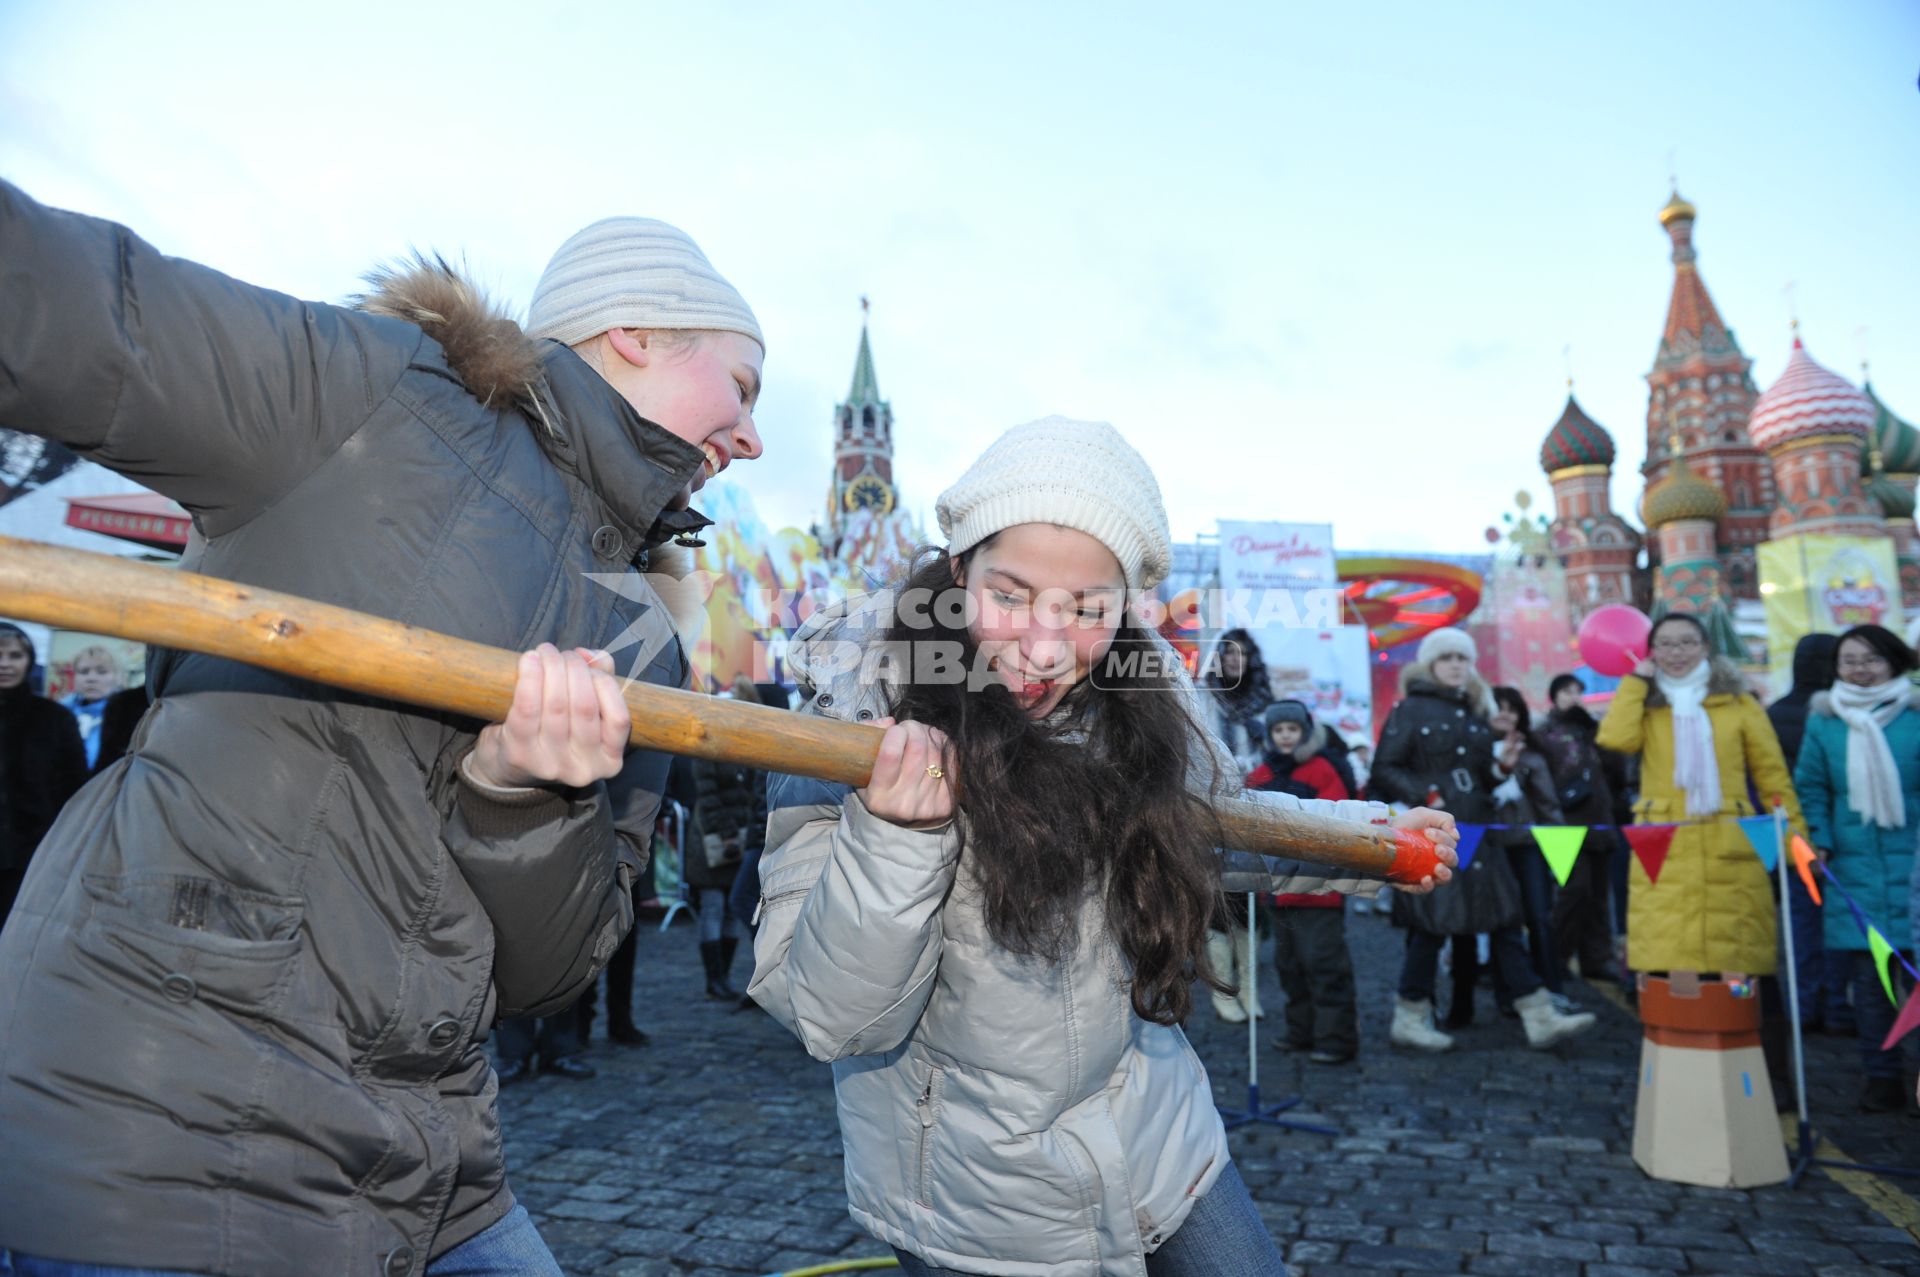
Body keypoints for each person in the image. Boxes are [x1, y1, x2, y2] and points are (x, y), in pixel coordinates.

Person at [0, 181, 766, 1276]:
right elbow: (90, 310)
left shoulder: (646, 638)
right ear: (636, 329)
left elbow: (556, 969)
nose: (751, 431)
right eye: (739, 384)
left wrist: (524, 795)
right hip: (161, 1118)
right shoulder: (378, 403)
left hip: (433, 1159)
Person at [747, 416, 1456, 1277]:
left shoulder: (1144, 701)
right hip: (983, 1202)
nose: (1043, 650)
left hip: (1163, 1143)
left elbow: (1219, 829)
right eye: (1007, 595)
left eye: (1086, 609)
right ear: (958, 568)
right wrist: (897, 837)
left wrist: (1372, 839)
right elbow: (834, 1016)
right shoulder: (854, 708)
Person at [1596, 612, 1806, 1097]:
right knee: (1674, 970)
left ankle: (1769, 1084)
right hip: (1662, 850)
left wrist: (1795, 839)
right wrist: (1634, 682)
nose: (1676, 652)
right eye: (1665, 644)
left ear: (1706, 647)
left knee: (1745, 970)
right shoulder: (1645, 705)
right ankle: (1683, 1085)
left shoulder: (1738, 704)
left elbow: (1773, 776)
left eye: (1687, 642)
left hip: (1731, 845)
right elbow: (1614, 739)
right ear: (1651, 652)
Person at [1371, 628, 1595, 1052]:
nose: (1457, 664)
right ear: (1431, 663)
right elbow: (1384, 769)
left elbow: (1478, 779)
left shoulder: (1475, 711)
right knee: (1431, 927)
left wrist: (1500, 770)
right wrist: (1430, 795)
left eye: (1463, 657)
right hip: (1434, 835)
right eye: (1448, 657)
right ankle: (1410, 1014)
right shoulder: (1409, 710)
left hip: (1477, 835)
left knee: (1506, 922)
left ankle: (1539, 1013)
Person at [1792, 624, 1919, 1112]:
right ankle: (1882, 1076)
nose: (1860, 669)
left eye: (1870, 659)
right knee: (1871, 984)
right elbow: (1813, 787)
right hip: (1854, 863)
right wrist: (1818, 840)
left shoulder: (1914, 712)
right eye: (1849, 660)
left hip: (1915, 864)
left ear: (1893, 661)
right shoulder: (1825, 721)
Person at [1249, 701, 1360, 1065]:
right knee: (1290, 965)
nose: (1285, 736)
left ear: (1305, 733)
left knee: (1324, 964)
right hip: (1280, 889)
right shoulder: (1263, 772)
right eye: (1279, 730)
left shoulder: (1324, 768)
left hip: (1319, 886)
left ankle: (1335, 1038)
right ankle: (1301, 1031)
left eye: (1292, 730)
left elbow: (1338, 819)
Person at [1769, 633, 1847, 1035]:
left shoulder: (1774, 713)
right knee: (1842, 924)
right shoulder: (1839, 711)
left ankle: (1805, 1005)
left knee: (1803, 924)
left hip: (1793, 836)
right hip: (1844, 835)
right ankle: (1838, 1005)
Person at [1200, 628, 1274, 1021]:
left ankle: (1248, 988)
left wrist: (1260, 771)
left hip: (1257, 805)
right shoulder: (1203, 696)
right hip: (1212, 805)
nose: (1235, 661)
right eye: (1229, 654)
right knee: (1217, 902)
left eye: (1242, 655)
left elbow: (1275, 748)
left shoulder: (1263, 701)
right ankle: (1222, 991)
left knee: (1251, 903)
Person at [1535, 673, 1625, 984]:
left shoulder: (1591, 729)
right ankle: (1557, 957)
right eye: (1566, 691)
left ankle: (1597, 958)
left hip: (1599, 821)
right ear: (1554, 696)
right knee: (1574, 891)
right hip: (1563, 826)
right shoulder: (1544, 732)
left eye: (1578, 691)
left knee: (1599, 896)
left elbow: (1617, 770)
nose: (1573, 696)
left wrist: (1597, 734)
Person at [0, 623, 89, 924]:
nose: (5, 664)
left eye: (15, 655)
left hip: (35, 858)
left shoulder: (54, 718)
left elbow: (76, 789)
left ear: (29, 660)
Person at [57, 643, 124, 769]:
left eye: (102, 672)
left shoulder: (129, 718)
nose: (91, 678)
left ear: (118, 677)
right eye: (84, 671)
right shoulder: (58, 715)